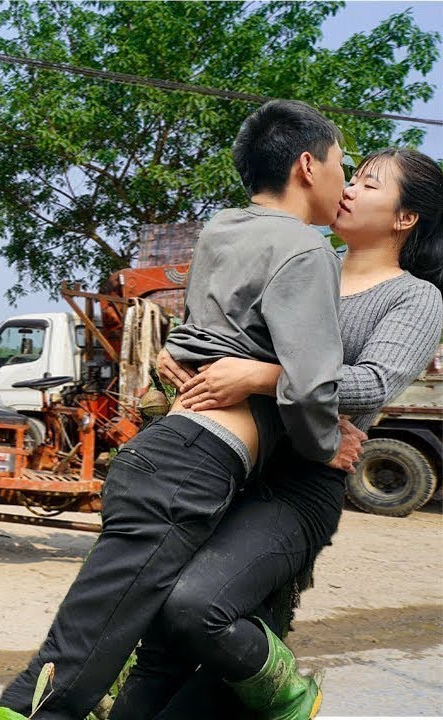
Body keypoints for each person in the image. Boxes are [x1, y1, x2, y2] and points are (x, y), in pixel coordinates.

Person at [0, 99, 362, 720]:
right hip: (190, 469)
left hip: (165, 455)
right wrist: (326, 445)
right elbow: (313, 385)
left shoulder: (220, 229)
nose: (344, 183)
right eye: (341, 165)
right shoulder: (308, 251)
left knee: (106, 635)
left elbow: (203, 344)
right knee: (79, 659)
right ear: (306, 166)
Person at [110, 146, 443, 720]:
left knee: (198, 610)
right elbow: (222, 332)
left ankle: (287, 692)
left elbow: (372, 382)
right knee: (157, 650)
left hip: (297, 482)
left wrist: (264, 378)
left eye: (368, 183)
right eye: (353, 175)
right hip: (223, 463)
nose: (349, 189)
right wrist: (178, 354)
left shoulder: (414, 296)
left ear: (403, 218)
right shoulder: (303, 258)